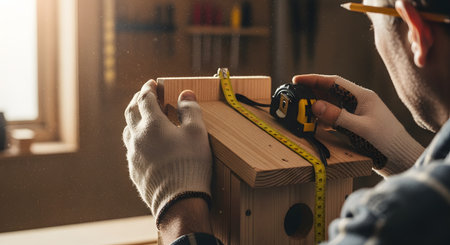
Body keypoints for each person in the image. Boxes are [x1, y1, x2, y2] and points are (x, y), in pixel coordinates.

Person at [122, 0, 450, 244]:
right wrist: (406, 158)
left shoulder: (387, 224)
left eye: (371, 20)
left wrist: (179, 209)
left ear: (415, 32)